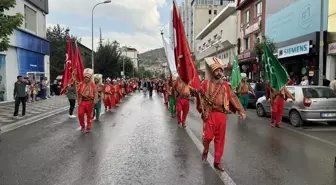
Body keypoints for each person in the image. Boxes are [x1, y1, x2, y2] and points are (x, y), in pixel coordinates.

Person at [196, 57, 245, 171]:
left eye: (221, 70)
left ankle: (217, 161)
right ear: (213, 72)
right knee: (207, 137)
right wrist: (200, 105)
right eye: (217, 70)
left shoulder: (226, 86)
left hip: (222, 115)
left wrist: (240, 110)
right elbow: (199, 96)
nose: (219, 72)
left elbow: (233, 97)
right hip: (210, 114)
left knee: (220, 139)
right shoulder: (206, 84)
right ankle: (206, 149)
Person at [77, 68, 97, 133]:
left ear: (89, 78)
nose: (86, 79)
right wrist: (76, 89)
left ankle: (88, 127)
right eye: (85, 77)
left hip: (90, 102)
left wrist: (95, 100)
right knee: (80, 114)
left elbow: (95, 92)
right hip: (82, 102)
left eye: (87, 78)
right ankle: (82, 126)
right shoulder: (80, 84)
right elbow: (78, 92)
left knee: (89, 116)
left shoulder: (92, 84)